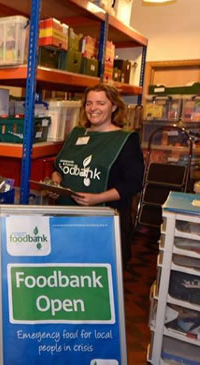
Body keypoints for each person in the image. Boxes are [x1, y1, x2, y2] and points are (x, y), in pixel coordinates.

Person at [50, 83, 144, 264]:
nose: (93, 108)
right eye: (89, 103)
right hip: (66, 219)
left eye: (101, 103)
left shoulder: (125, 139)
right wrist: (55, 183)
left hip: (103, 223)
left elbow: (133, 183)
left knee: (96, 276)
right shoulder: (77, 134)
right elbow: (60, 168)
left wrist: (98, 198)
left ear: (114, 106)